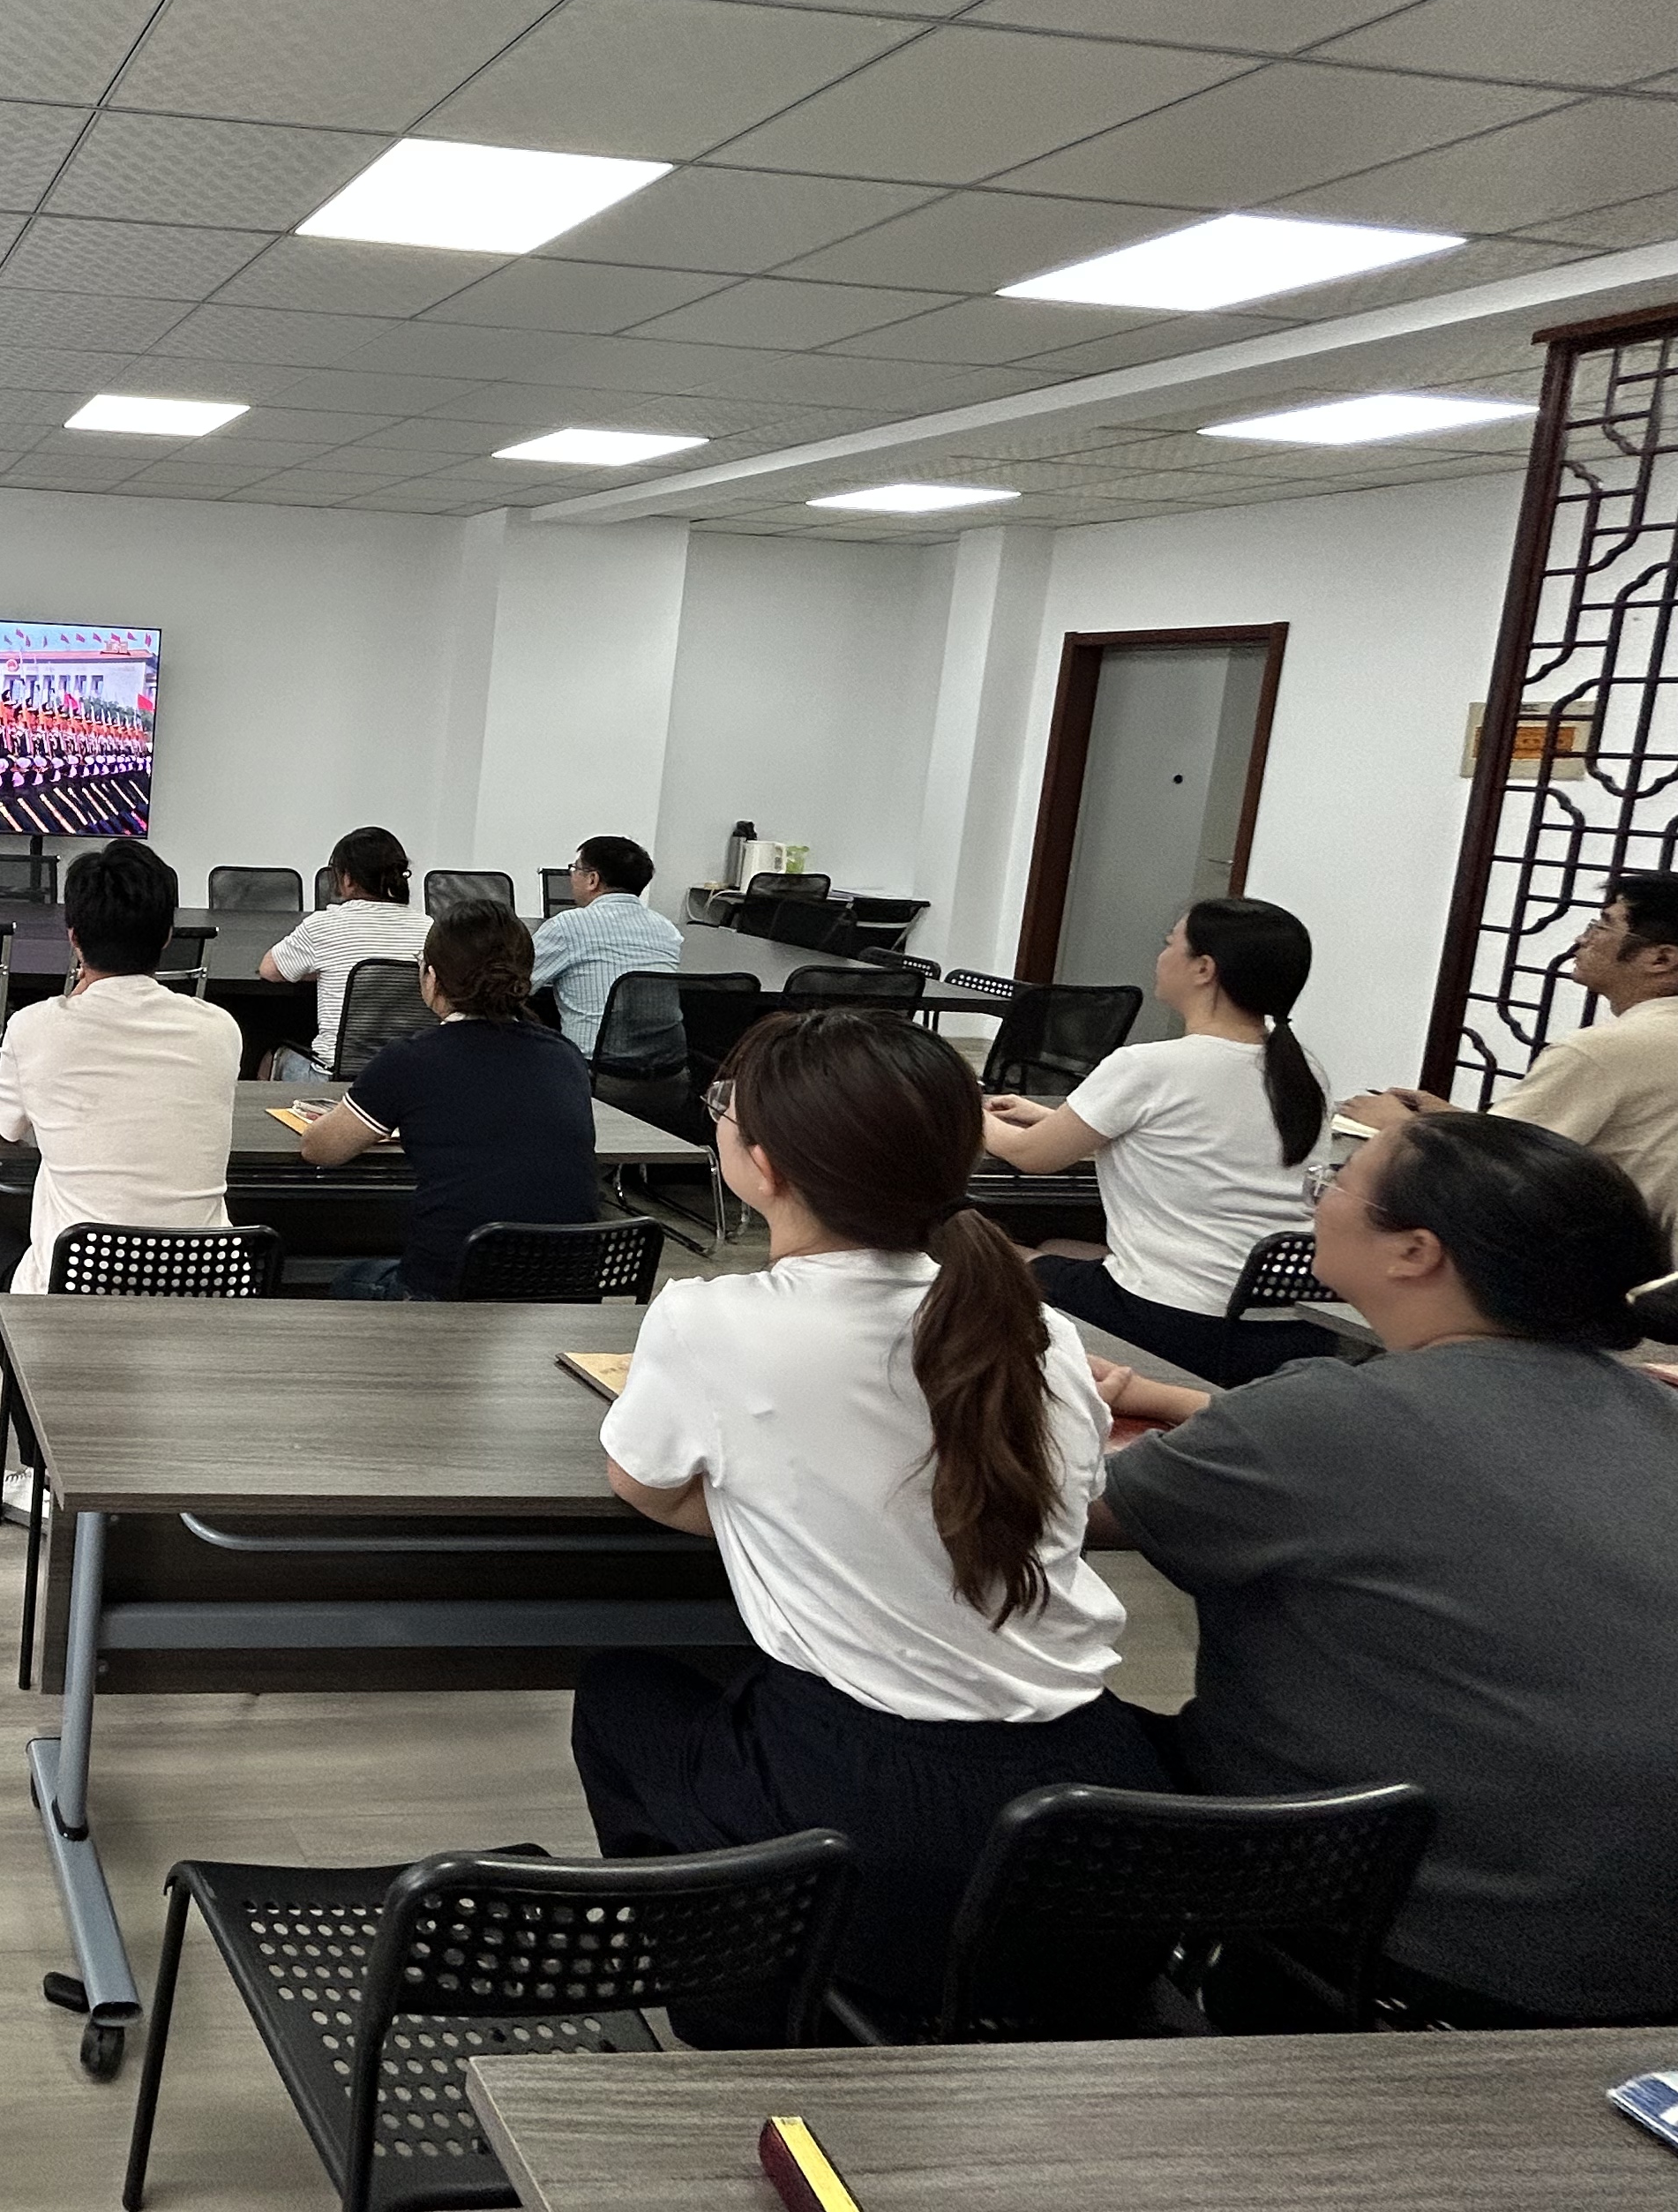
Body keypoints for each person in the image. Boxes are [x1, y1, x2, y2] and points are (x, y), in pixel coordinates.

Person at [572, 1007, 1166, 2037]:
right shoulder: (1036, 1328)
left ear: (763, 1165)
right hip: (1099, 1799)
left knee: (624, 1699)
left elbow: (646, 1487)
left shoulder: (711, 1321)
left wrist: (799, 1516)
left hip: (884, 1808)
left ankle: (738, 2003)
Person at [1094, 1112, 1678, 2024]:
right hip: (1635, 1943)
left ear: (1415, 1251)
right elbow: (1401, 1452)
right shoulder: (1650, 1411)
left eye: (1337, 1181)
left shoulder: (1322, 1422)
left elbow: (1050, 1513)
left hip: (1428, 1944)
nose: (1318, 1199)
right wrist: (1178, 1402)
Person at [975, 896, 1335, 1384]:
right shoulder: (1304, 1072)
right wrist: (1054, 1118)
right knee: (1060, 1244)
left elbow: (1029, 1155)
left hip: (1172, 1319)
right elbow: (1186, 1141)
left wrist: (967, 1110)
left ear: (1204, 968)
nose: (1161, 956)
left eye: (1170, 944)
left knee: (986, 1252)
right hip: (1287, 1326)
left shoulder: (1149, 1066)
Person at [0, 839, 243, 1303]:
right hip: (204, 1281)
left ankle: (33, 1354)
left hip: (82, 1282)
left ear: (74, 937)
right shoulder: (220, 1028)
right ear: (167, 936)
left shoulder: (36, 1027)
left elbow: (5, 1125)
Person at [1342, 873, 1678, 1239]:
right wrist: (1452, 1120)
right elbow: (1537, 1140)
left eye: (1602, 927)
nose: (1581, 940)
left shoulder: (1601, 1051)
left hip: (1585, 1254)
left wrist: (1402, 1126)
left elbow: (1498, 1174)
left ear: (1661, 958)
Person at [296, 902, 596, 1298]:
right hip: (567, 1290)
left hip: (452, 1289)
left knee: (350, 1278)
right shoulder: (564, 1055)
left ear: (432, 976)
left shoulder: (410, 1059)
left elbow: (320, 1149)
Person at [258, 826, 429, 1077]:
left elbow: (269, 970)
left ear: (347, 878)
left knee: (271, 1056)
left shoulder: (324, 925)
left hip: (335, 1078)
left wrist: (327, 970)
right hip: (408, 1077)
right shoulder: (430, 929)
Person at [528, 834, 684, 1055]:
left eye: (575, 869)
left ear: (592, 879)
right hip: (667, 1067)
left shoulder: (570, 924)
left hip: (591, 1066)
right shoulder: (667, 929)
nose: (571, 877)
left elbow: (514, 984)